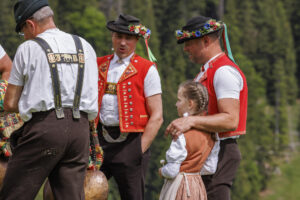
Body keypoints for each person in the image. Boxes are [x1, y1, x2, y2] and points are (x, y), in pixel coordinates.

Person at [0, 0, 98, 199]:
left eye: (23, 31)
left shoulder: (28, 48)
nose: (24, 37)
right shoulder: (85, 46)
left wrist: (31, 100)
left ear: (30, 24)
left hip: (45, 128)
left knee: (15, 194)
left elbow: (10, 103)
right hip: (81, 132)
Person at [166, 15, 248, 200]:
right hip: (207, 151)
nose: (185, 49)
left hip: (220, 152)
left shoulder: (223, 72)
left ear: (205, 40)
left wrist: (190, 120)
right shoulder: (208, 71)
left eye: (189, 43)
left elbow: (230, 119)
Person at [96, 14, 163, 200]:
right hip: (98, 140)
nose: (123, 42)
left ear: (137, 40)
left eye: (128, 38)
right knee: (84, 191)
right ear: (112, 37)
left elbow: (157, 116)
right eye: (119, 37)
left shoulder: (147, 69)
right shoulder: (98, 64)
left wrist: (138, 150)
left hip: (131, 142)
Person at [159, 80, 215, 200]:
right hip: (197, 186)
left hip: (180, 186)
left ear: (190, 104)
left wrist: (162, 171)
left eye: (179, 100)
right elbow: (210, 167)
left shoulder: (181, 132)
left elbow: (172, 170)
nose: (176, 104)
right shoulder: (211, 132)